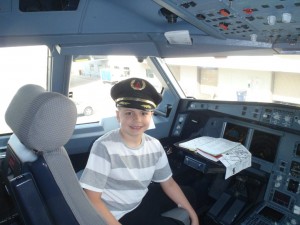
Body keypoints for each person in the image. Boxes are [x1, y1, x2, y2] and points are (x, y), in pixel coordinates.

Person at [79, 77, 199, 225]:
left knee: (191, 194)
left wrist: (193, 215)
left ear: (151, 115)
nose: (137, 119)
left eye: (144, 113)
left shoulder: (154, 145)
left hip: (139, 199)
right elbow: (92, 197)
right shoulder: (104, 146)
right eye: (129, 113)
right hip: (118, 213)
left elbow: (168, 183)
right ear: (118, 116)